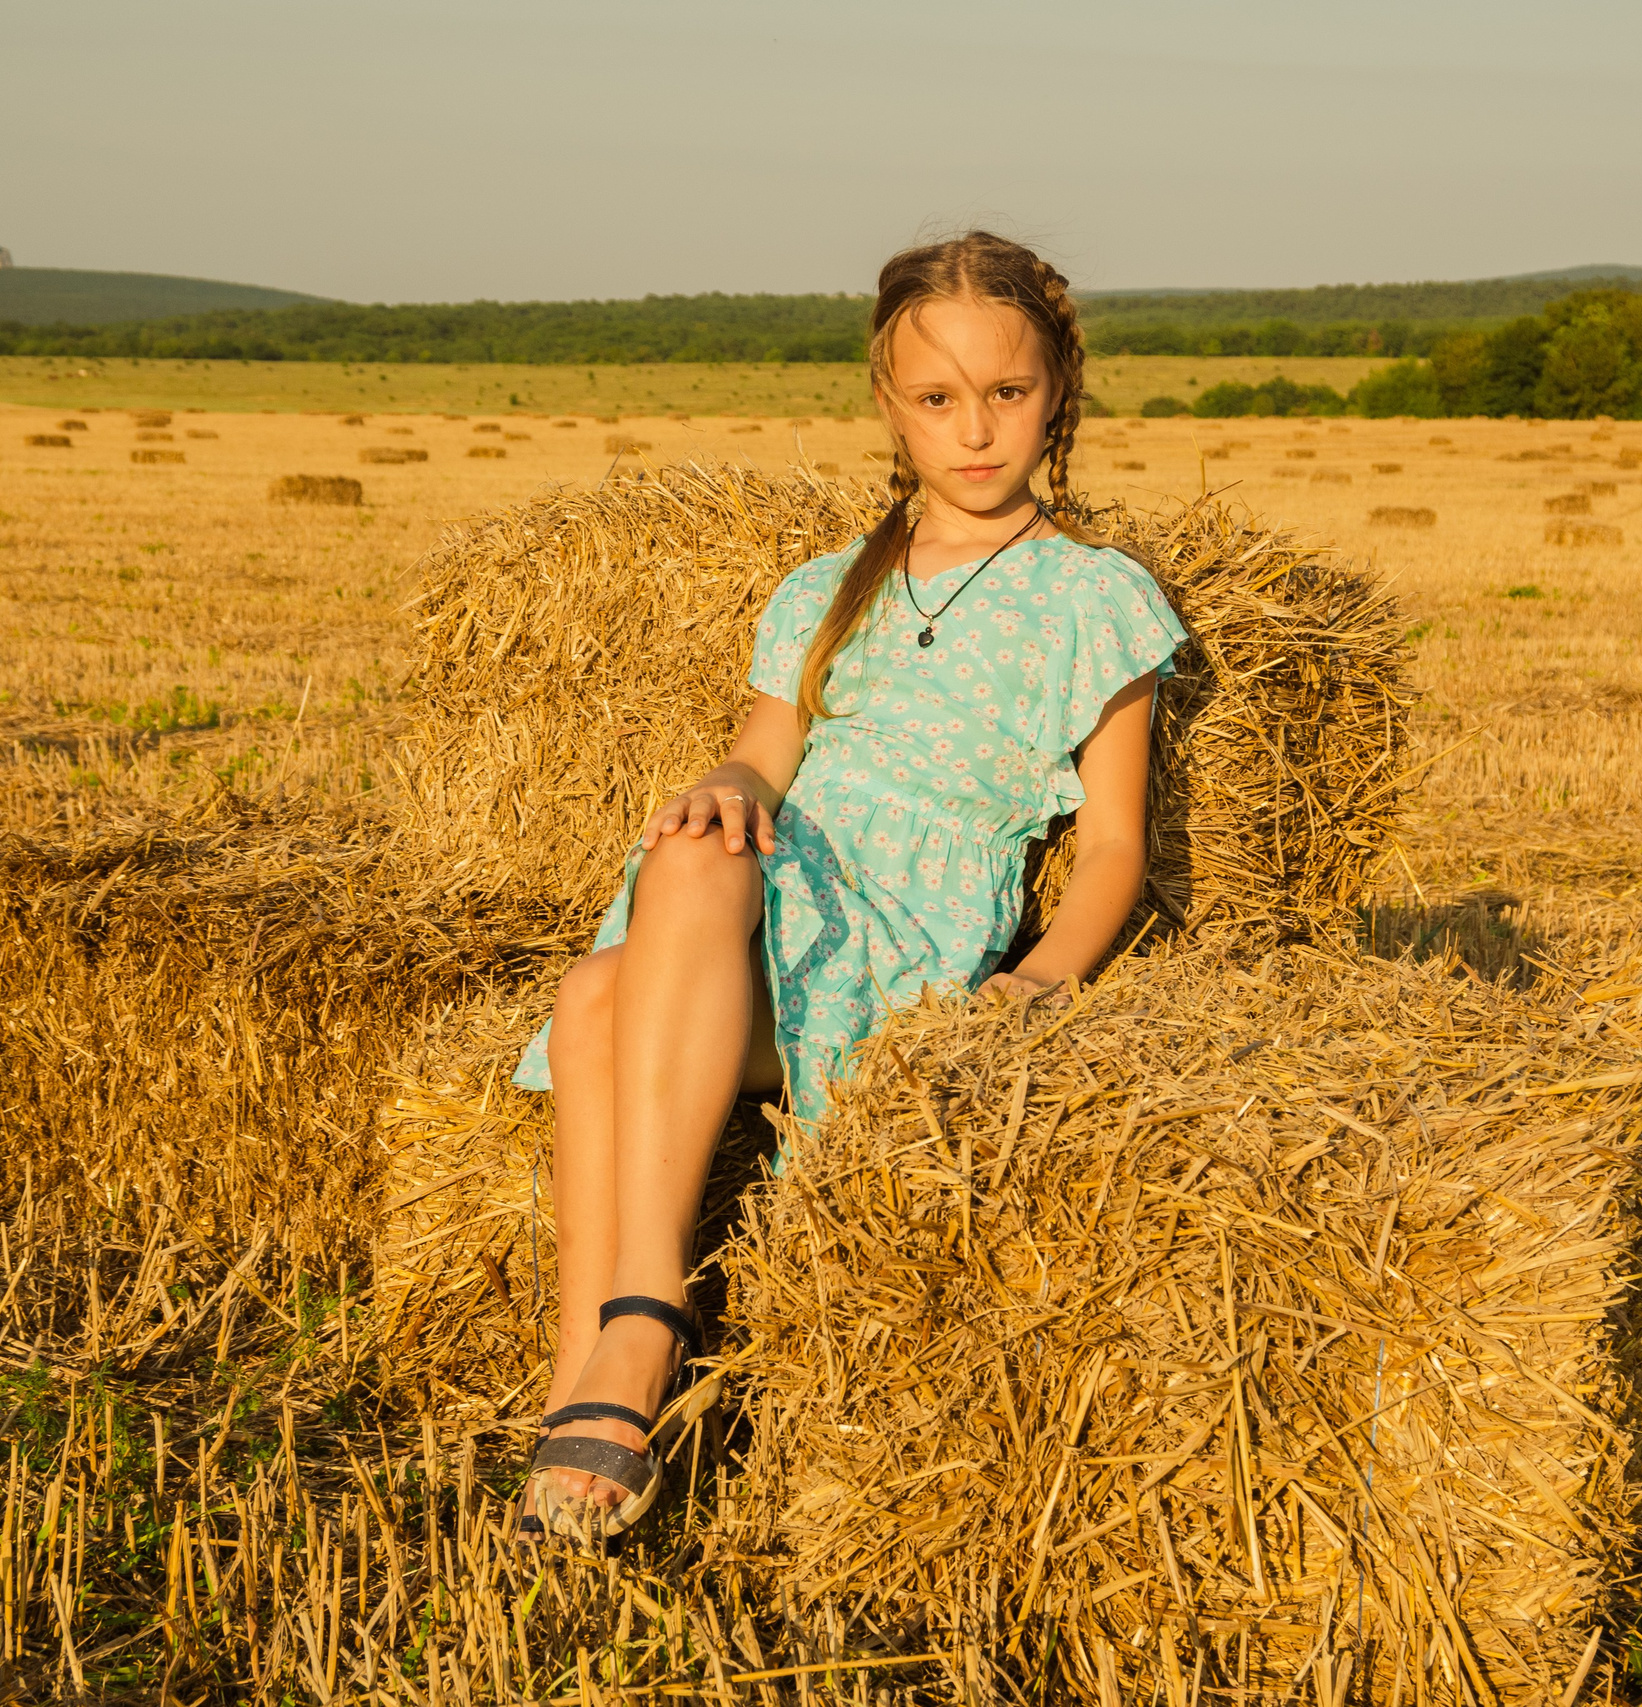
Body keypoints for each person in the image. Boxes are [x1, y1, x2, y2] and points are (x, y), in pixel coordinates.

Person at [509, 231, 1189, 1543]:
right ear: (888, 407)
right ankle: (599, 1379)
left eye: (1008, 393)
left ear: (1061, 394)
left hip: (897, 931)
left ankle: (628, 1338)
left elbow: (1114, 848)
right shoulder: (826, 589)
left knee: (618, 977)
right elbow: (768, 758)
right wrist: (728, 784)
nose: (976, 429)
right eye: (938, 400)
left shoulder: (1095, 599)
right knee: (606, 972)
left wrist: (1039, 987)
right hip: (763, 898)